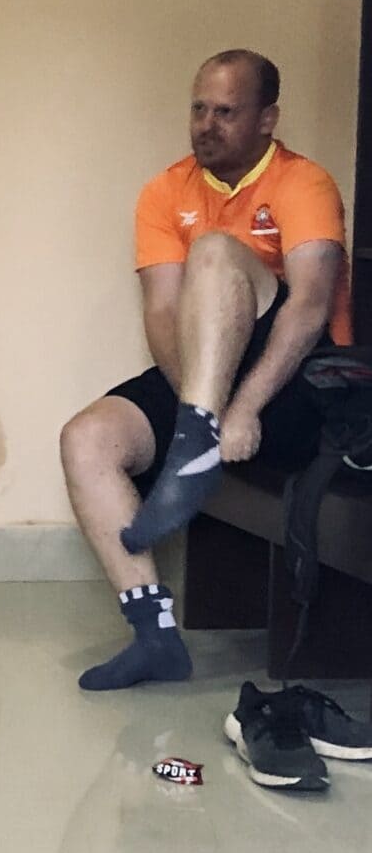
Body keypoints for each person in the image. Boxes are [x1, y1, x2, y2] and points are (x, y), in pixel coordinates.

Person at [60, 49, 349, 691]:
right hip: (203, 383)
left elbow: (309, 307)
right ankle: (154, 638)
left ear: (267, 118)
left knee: (215, 252)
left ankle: (196, 441)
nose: (206, 124)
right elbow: (162, 313)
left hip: (296, 386)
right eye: (198, 109)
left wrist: (241, 409)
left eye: (226, 111)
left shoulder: (305, 183)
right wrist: (201, 405)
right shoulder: (165, 191)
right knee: (86, 440)